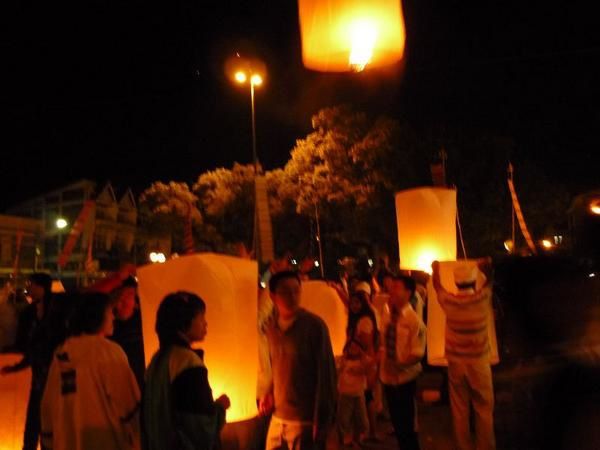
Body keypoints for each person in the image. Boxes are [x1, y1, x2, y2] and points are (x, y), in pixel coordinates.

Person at [41, 292, 141, 450]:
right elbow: (128, 404)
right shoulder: (108, 352)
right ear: (97, 316)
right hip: (106, 441)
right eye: (109, 312)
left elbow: (48, 406)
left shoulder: (62, 353)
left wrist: (48, 441)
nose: (113, 317)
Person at [258, 271, 337, 450]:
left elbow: (326, 376)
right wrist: (269, 391)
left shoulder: (314, 326)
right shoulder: (272, 328)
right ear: (272, 296)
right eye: (285, 292)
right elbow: (276, 366)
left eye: (296, 290)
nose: (292, 296)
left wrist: (322, 418)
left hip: (304, 419)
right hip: (278, 416)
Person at [143, 291, 230, 450]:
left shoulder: (157, 360)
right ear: (184, 322)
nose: (206, 323)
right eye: (201, 317)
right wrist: (220, 407)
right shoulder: (187, 362)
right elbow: (200, 427)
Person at [432, 259, 496, 450]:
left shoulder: (449, 301)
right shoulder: (482, 298)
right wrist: (485, 265)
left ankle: (463, 446)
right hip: (479, 363)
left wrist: (435, 269)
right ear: (474, 282)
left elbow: (437, 286)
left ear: (457, 283)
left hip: (456, 364)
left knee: (459, 409)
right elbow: (490, 280)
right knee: (484, 409)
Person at [1, 273, 59, 450]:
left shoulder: (56, 311)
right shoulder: (28, 313)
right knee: (35, 419)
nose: (28, 288)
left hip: (53, 375)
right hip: (39, 376)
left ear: (42, 287)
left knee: (49, 419)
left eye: (31, 284)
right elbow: (27, 346)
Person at [379, 275, 426, 450]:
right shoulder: (387, 314)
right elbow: (383, 341)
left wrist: (399, 364)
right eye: (392, 287)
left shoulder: (414, 321)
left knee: (407, 426)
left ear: (408, 293)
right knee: (397, 424)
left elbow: (418, 352)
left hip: (404, 379)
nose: (392, 290)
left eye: (397, 287)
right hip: (388, 378)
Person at [86, 264, 145, 388]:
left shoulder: (142, 319)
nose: (122, 302)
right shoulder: (104, 324)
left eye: (130, 295)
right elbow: (88, 297)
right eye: (119, 297)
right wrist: (118, 277)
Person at [336, 340, 371, 448]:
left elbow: (367, 368)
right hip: (345, 393)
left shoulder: (364, 360)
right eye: (351, 347)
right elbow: (337, 370)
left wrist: (362, 354)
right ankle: (344, 440)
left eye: (356, 347)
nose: (353, 349)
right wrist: (343, 359)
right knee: (343, 419)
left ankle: (357, 439)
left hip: (358, 394)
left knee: (361, 419)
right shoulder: (342, 360)